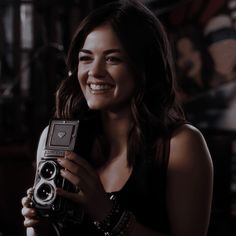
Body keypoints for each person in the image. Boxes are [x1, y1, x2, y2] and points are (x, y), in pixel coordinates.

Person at [21, 0, 213, 235]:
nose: (94, 72)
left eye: (112, 58)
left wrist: (106, 213)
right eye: (86, 58)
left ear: (144, 67)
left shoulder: (180, 144)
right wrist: (39, 227)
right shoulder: (57, 140)